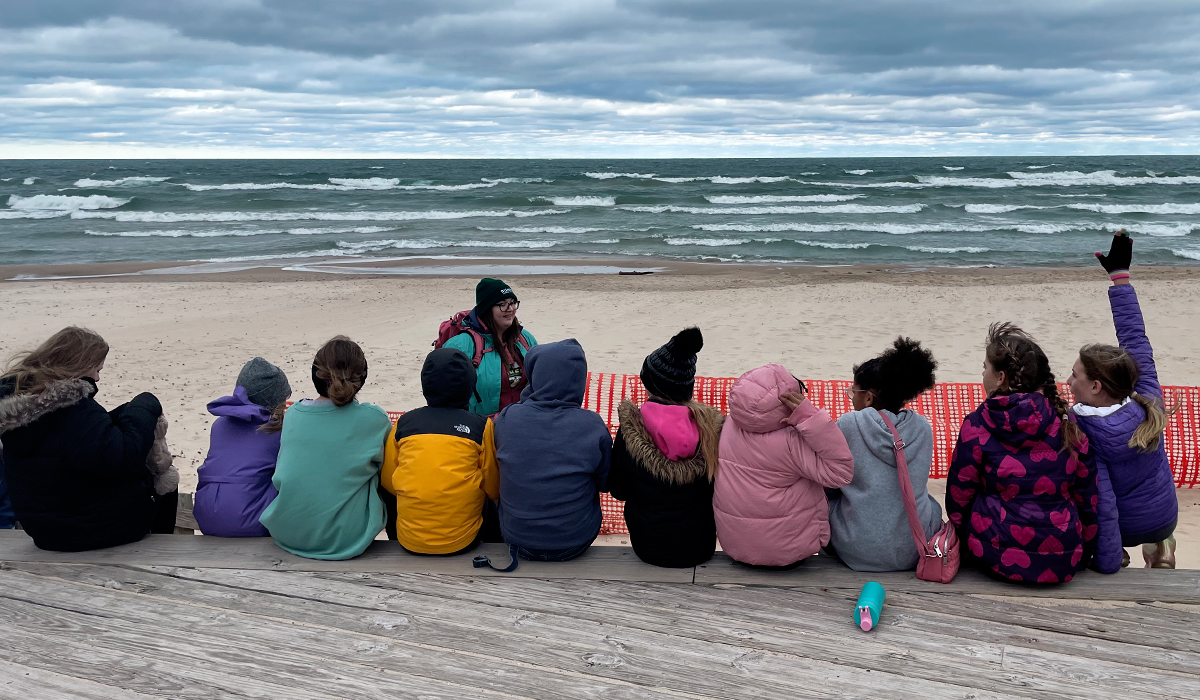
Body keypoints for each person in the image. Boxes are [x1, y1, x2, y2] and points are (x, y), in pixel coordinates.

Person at [947, 323, 1104, 583]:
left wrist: (965, 545)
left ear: (1000, 378)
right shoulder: (1067, 425)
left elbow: (959, 498)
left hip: (993, 556)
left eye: (985, 367)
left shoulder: (976, 425)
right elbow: (1088, 498)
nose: (982, 373)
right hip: (1062, 557)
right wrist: (1084, 550)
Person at [0, 327, 178, 551]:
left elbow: (76, 442)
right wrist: (146, 402)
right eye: (96, 369)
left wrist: (125, 414)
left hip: (45, 533)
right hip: (90, 532)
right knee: (163, 476)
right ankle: (163, 551)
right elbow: (124, 456)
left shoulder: (20, 410)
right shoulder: (71, 407)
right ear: (79, 364)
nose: (97, 377)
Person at [1069, 231, 1178, 569]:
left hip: (1123, 527)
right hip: (1165, 516)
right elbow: (1136, 340)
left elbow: (1104, 505)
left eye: (1076, 375)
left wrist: (1109, 560)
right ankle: (1162, 552)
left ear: (1097, 386)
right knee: (1159, 530)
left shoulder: (1086, 430)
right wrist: (1120, 280)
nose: (1069, 381)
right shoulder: (1148, 402)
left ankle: (1128, 554)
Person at [258, 336, 391, 560]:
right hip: (346, 539)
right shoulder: (374, 419)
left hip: (288, 531)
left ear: (315, 374)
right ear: (362, 377)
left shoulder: (293, 415)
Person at [714, 364, 855, 569]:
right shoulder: (791, 441)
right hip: (788, 553)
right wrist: (810, 418)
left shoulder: (728, 426)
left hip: (736, 547)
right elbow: (841, 473)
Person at [608, 327, 723, 568]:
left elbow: (618, 490)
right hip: (699, 547)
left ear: (650, 384)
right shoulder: (711, 430)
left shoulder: (630, 430)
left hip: (648, 547)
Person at [827, 338, 943, 572]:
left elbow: (830, 483)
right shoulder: (922, 427)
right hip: (911, 549)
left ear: (868, 397)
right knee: (930, 503)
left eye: (854, 392)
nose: (852, 398)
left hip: (854, 550)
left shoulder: (849, 424)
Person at [493, 339, 612, 562]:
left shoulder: (508, 418)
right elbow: (606, 482)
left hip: (517, 539)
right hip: (575, 542)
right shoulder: (592, 425)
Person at [381, 348, 500, 555]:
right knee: (485, 490)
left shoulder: (404, 423)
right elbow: (494, 487)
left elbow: (388, 482)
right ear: (470, 387)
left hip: (409, 541)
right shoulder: (481, 427)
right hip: (462, 542)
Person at [193, 357, 291, 538]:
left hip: (206, 518)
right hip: (250, 523)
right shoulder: (278, 432)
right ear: (275, 400)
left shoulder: (219, 425)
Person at [442, 278, 537, 416]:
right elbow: (444, 392)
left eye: (512, 303)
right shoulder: (462, 345)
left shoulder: (524, 339)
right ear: (487, 308)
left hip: (520, 424)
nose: (510, 309)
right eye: (502, 304)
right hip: (479, 428)